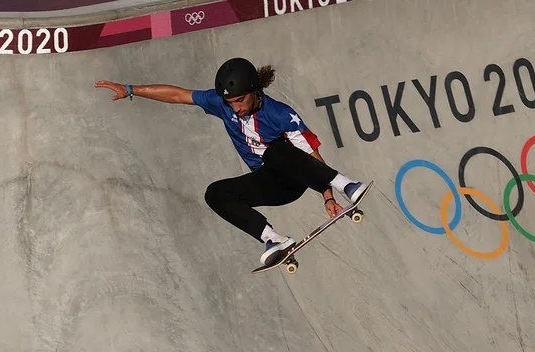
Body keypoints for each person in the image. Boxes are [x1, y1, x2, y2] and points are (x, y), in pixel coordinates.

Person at [95, 57, 368, 267]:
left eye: (240, 101)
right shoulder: (222, 104)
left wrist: (328, 196)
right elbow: (178, 95)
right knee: (215, 192)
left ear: (254, 91)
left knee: (275, 152)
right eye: (231, 102)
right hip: (270, 185)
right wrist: (130, 89)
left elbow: (309, 153)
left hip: (294, 176)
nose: (236, 108)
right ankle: (273, 239)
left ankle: (347, 184)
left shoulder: (281, 114)